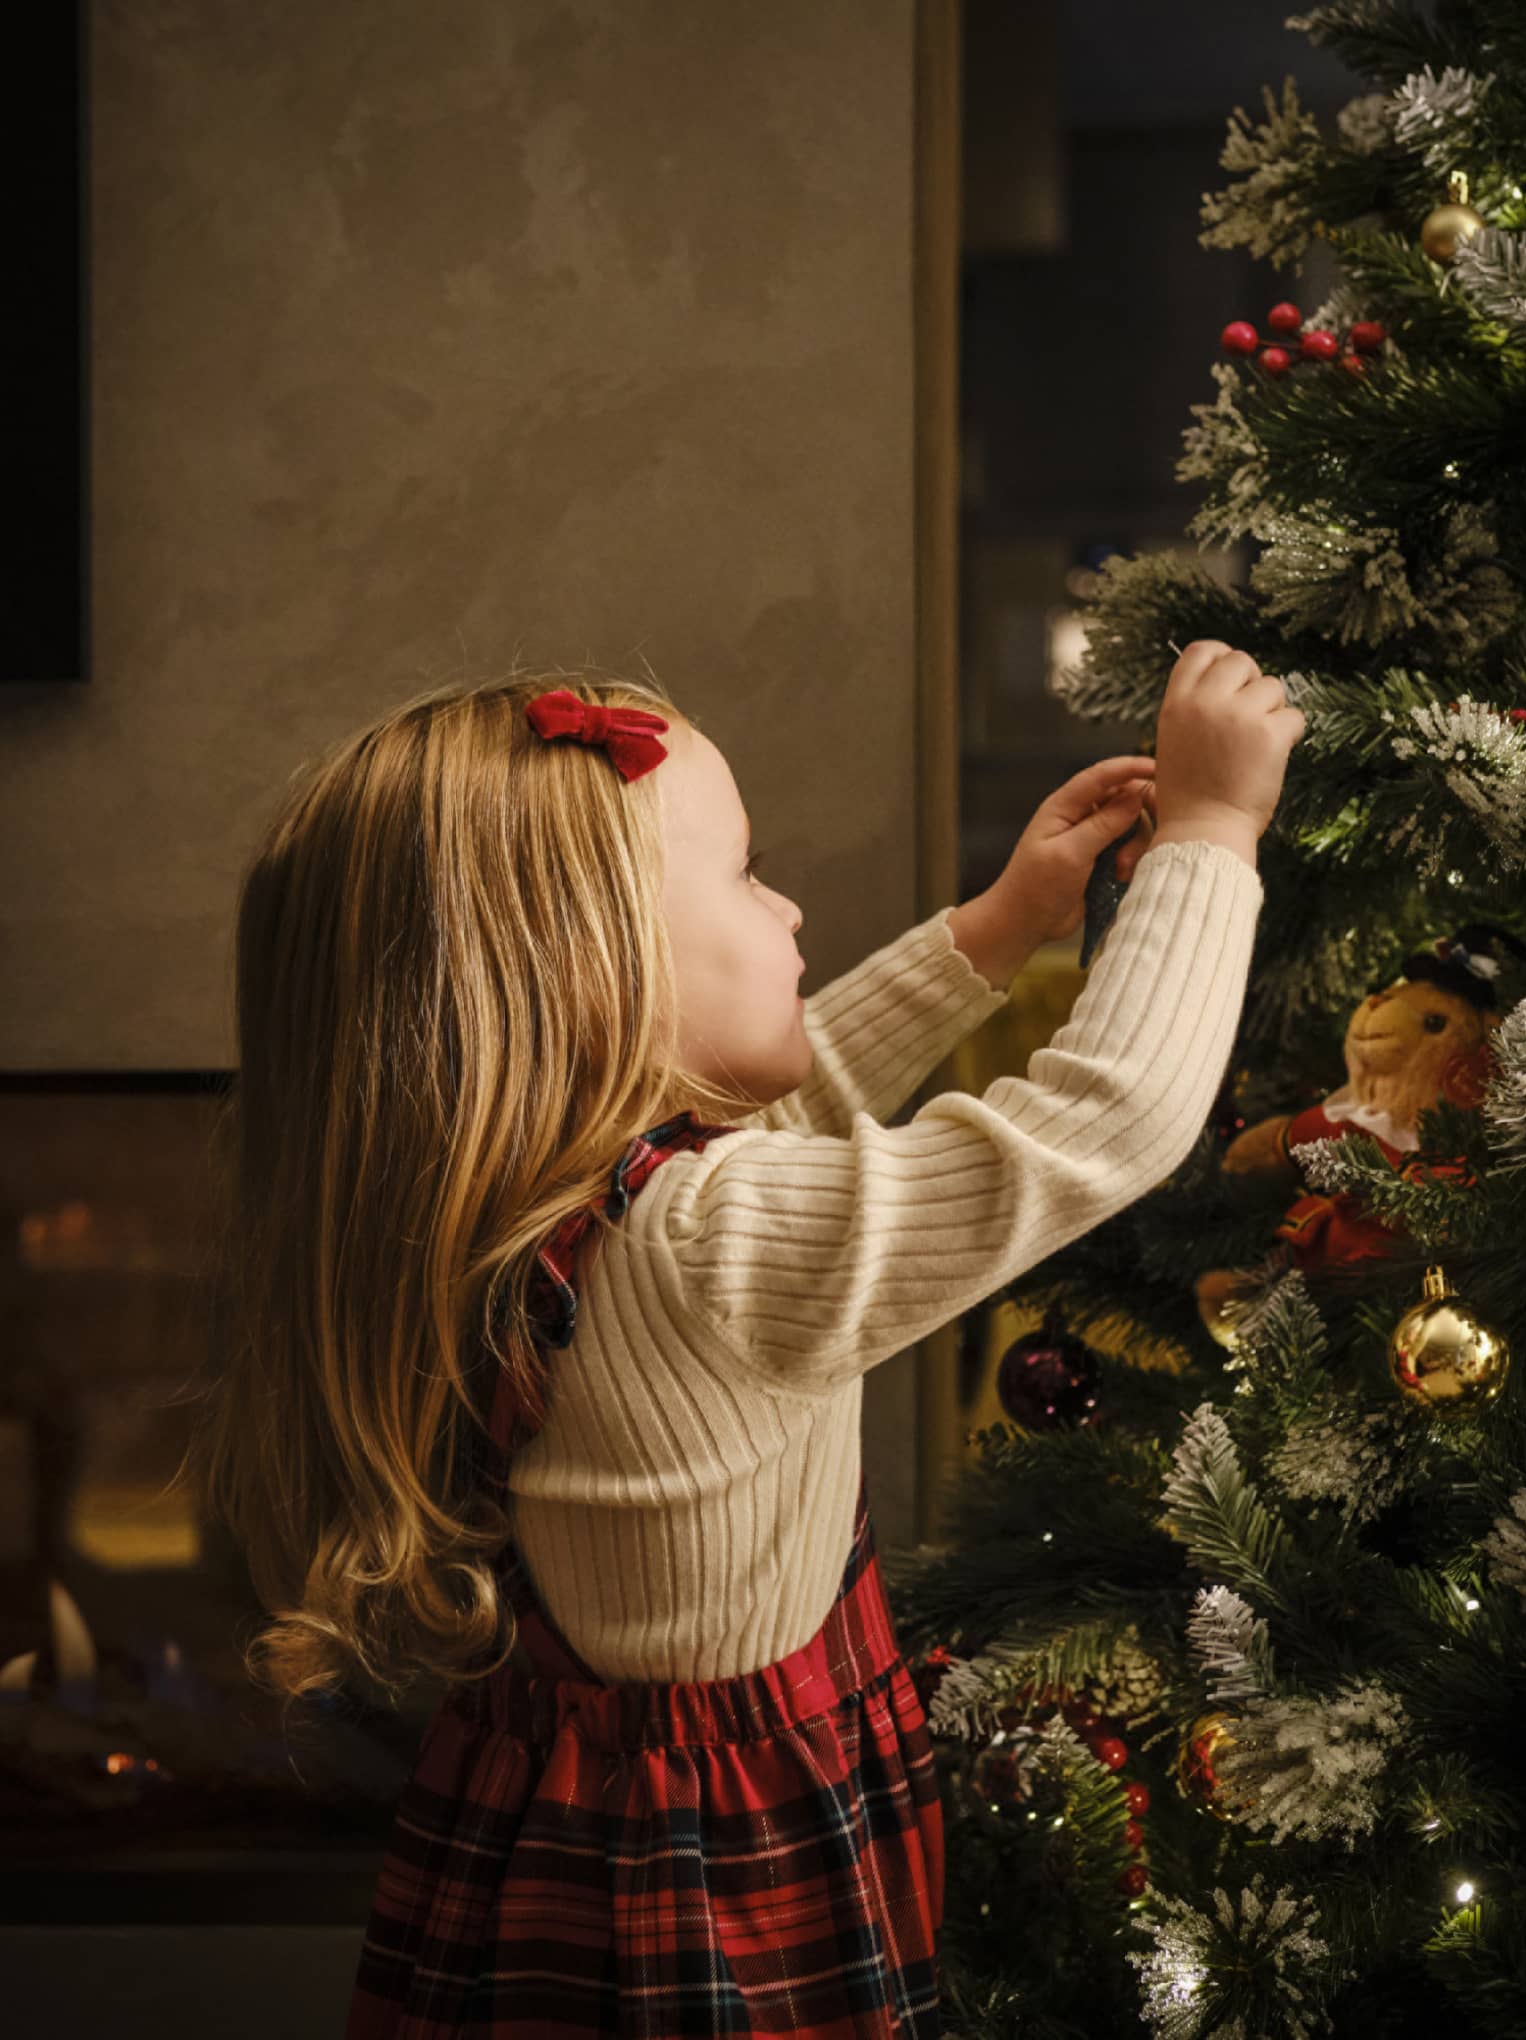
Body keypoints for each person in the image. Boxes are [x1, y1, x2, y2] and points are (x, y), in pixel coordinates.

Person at [190, 643, 1300, 2037]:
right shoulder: (705, 1249)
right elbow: (1096, 1124)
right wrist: (1210, 834)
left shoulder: (538, 1199)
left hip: (573, 1812)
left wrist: (998, 928)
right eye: (742, 874)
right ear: (590, 972)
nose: (787, 907)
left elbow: (782, 1107)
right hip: (714, 1873)